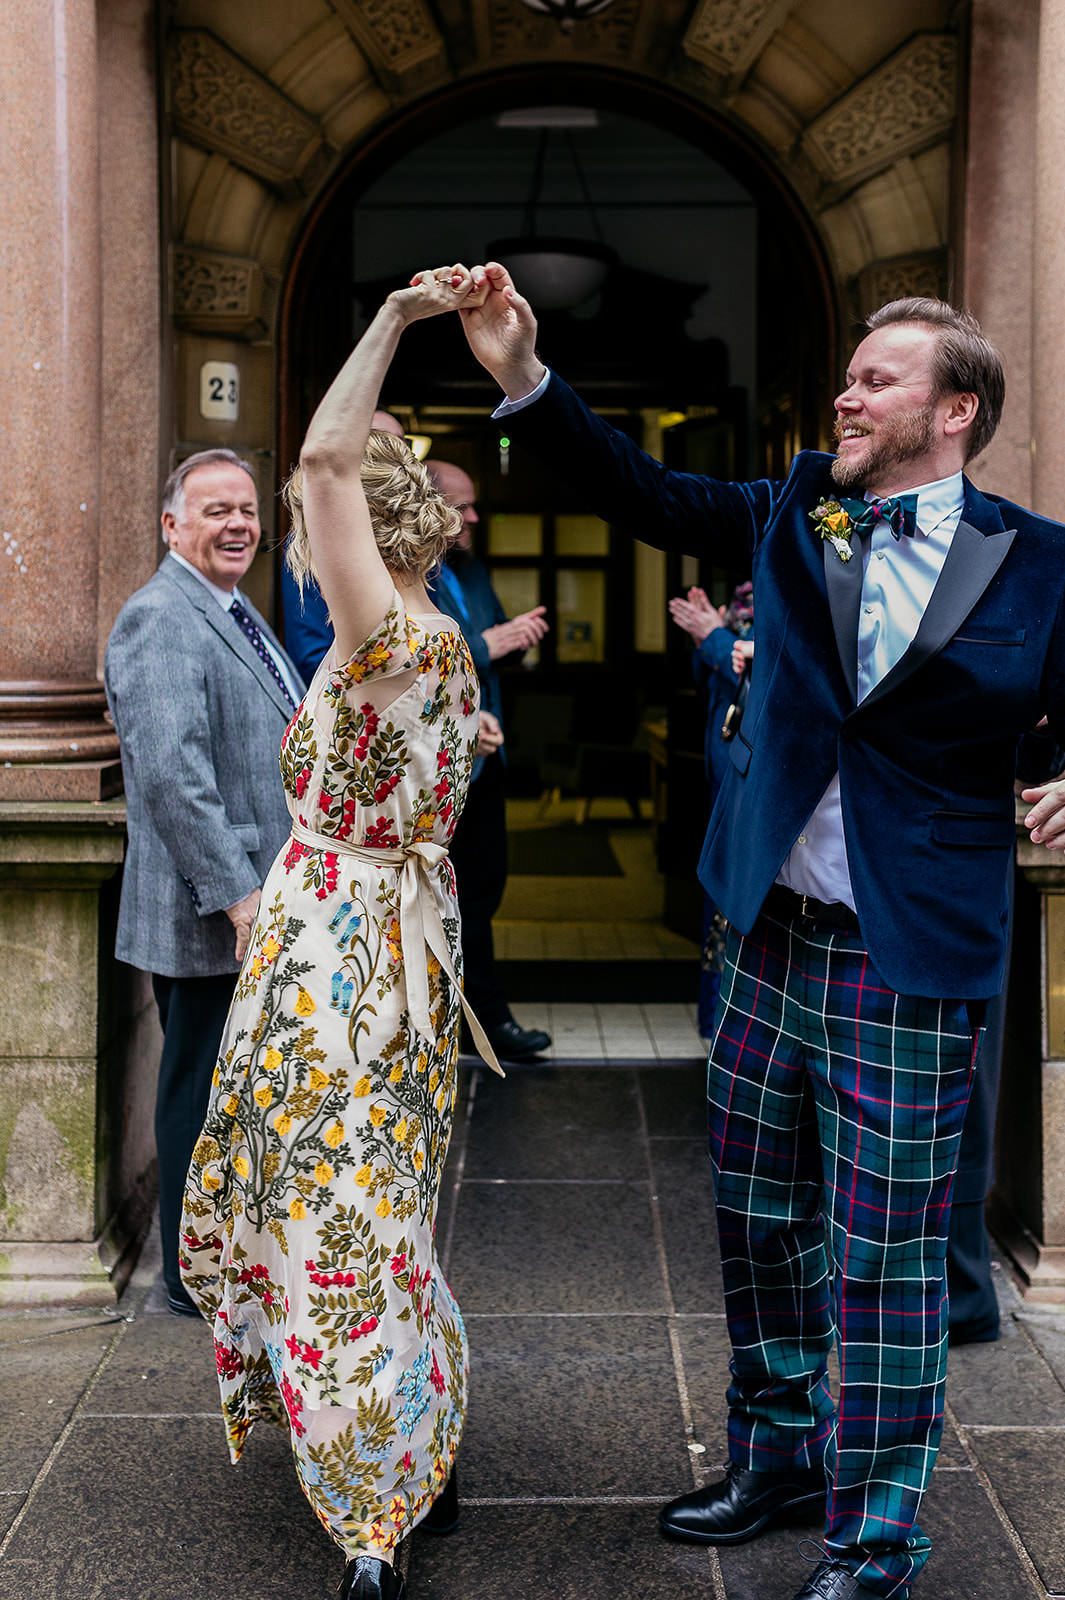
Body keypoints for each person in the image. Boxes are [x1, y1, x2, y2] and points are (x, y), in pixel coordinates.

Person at [445, 264, 1065, 1600]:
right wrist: (517, 378)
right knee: (755, 1219)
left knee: (885, 1257)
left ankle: (874, 1536)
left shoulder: (1043, 567)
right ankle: (771, 1453)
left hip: (906, 957)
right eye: (844, 374)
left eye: (874, 378)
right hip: (761, 938)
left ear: (952, 410)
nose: (844, 391)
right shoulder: (797, 508)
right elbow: (641, 493)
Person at [179, 267, 505, 1600]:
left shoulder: (380, 637)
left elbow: (318, 450)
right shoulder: (442, 645)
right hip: (402, 944)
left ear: (356, 541)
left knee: (338, 1209)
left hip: (343, 955)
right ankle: (407, 1437)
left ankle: (370, 1506)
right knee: (384, 1202)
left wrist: (393, 317)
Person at [105, 448, 302, 1317]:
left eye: (248, 510)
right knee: (196, 1089)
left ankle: (227, 1252)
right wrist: (240, 897)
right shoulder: (159, 616)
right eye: (216, 509)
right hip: (211, 909)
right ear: (171, 524)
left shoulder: (229, 607)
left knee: (231, 1086)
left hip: (250, 900)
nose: (237, 525)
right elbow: (173, 778)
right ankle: (192, 1275)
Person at [425, 457, 553, 1061]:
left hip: (486, 761)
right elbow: (410, 659)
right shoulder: (408, 575)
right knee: (456, 897)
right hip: (439, 768)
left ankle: (474, 1015)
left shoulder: (468, 570)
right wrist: (488, 644)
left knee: (484, 888)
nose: (474, 516)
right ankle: (479, 1019)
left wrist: (514, 638)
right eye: (461, 505)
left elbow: (491, 637)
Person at [669, 581, 752, 1039]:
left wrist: (717, 638)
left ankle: (730, 1021)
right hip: (725, 776)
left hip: (753, 780)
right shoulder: (744, 599)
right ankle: (715, 1019)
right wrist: (711, 637)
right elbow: (716, 682)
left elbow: (770, 671)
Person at [281, 410, 407, 684]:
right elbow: (311, 654)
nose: (395, 461)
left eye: (400, 445)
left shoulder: (416, 531)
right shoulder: (314, 540)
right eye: (380, 445)